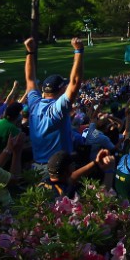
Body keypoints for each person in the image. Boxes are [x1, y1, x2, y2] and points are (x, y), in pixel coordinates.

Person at [24, 36, 84, 166]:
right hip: (56, 169)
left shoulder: (34, 104)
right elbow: (75, 83)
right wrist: (78, 51)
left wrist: (29, 52)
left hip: (36, 166)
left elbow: (30, 80)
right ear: (62, 89)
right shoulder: (58, 109)